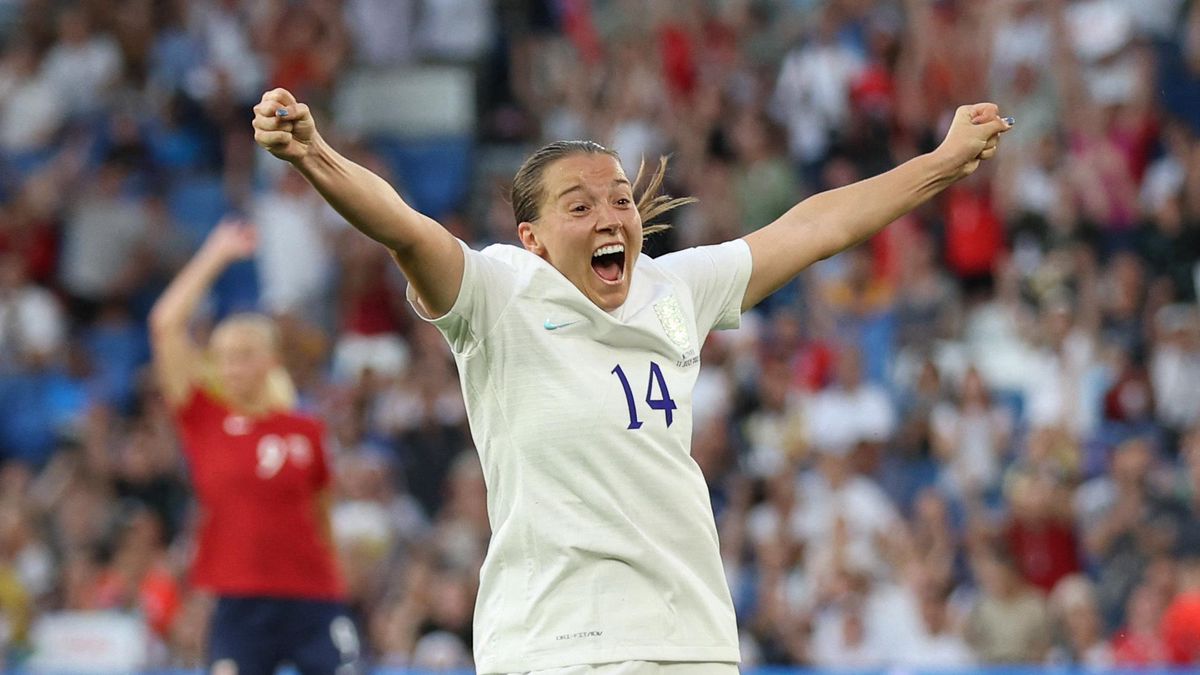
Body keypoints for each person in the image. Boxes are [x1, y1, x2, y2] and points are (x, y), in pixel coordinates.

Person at [252, 87, 1009, 673]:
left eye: (619, 198)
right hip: (556, 643)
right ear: (532, 237)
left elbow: (814, 228)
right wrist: (316, 155)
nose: (610, 215)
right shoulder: (499, 296)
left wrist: (942, 161)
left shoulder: (673, 289)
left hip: (689, 641)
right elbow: (405, 229)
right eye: (579, 205)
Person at [148, 222, 360, 675]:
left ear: (271, 360)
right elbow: (165, 324)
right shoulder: (204, 419)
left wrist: (337, 576)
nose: (231, 366)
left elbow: (321, 515)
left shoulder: (307, 430)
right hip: (240, 601)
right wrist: (216, 253)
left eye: (243, 354)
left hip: (313, 597)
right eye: (222, 356)